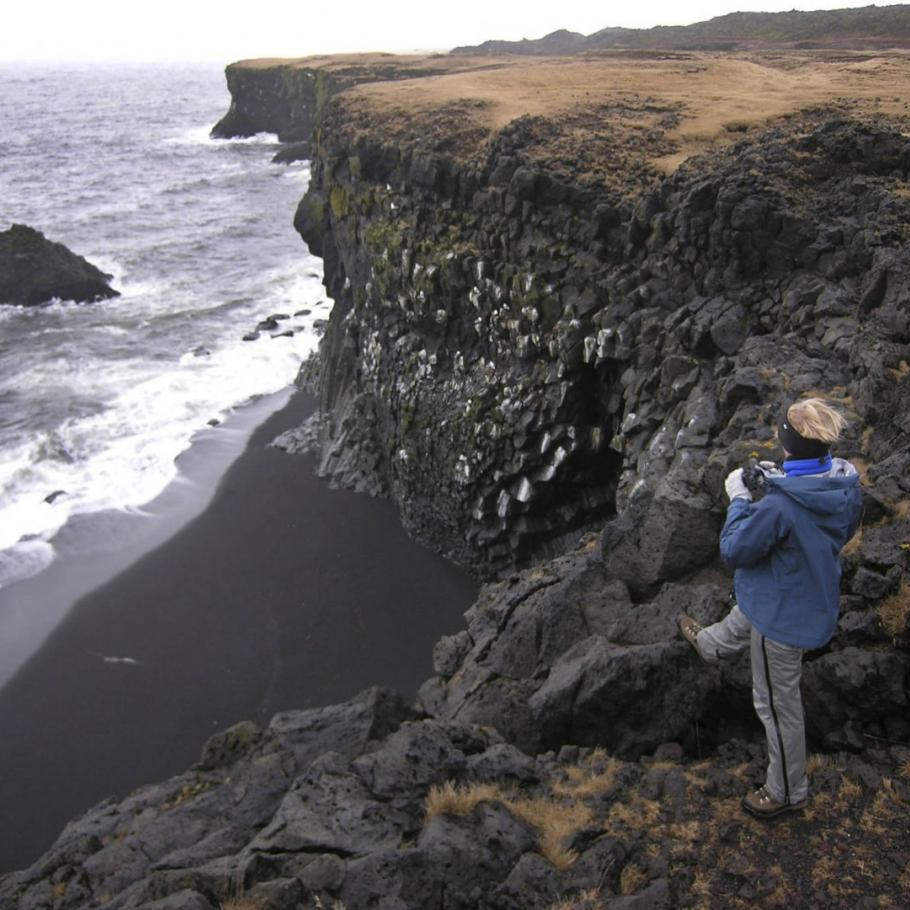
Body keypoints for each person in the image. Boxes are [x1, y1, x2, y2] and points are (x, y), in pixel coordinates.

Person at [678, 398, 863, 818]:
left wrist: (739, 499)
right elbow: (842, 527)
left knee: (777, 706)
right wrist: (780, 478)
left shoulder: (780, 507)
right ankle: (710, 645)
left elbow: (735, 550)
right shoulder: (844, 481)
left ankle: (785, 792)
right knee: (748, 610)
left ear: (789, 443)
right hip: (808, 590)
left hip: (782, 619)